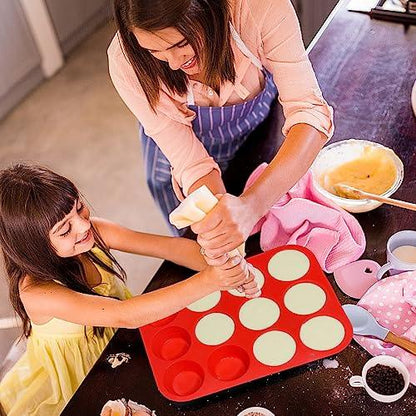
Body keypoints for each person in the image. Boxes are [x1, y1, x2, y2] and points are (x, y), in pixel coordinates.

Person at [0, 164, 257, 416]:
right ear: (32, 248)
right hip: (80, 372)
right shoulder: (36, 293)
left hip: (123, 339)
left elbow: (170, 248)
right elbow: (124, 315)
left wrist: (227, 265)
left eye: (79, 208)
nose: (82, 225)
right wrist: (211, 280)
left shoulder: (93, 231)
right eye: (65, 230)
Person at [108, 0, 334, 256]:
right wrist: (222, 234)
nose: (172, 63)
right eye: (154, 50)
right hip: (181, 149)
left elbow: (309, 112)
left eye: (181, 43)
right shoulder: (125, 62)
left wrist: (251, 206)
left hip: (254, 129)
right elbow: (194, 165)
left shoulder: (259, 8)